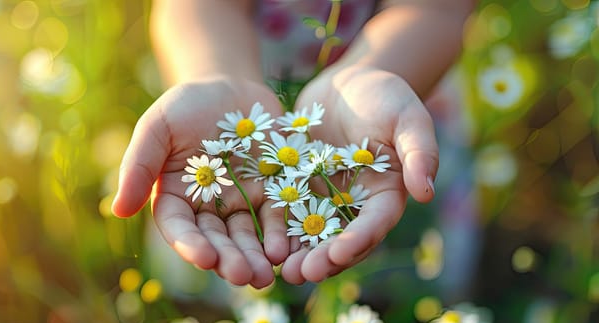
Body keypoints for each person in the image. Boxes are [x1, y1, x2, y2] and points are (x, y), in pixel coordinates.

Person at [111, 0, 476, 289]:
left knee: (400, 271)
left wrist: (365, 73)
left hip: (388, 100)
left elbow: (436, 8)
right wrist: (215, 75)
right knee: (237, 255)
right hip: (248, 91)